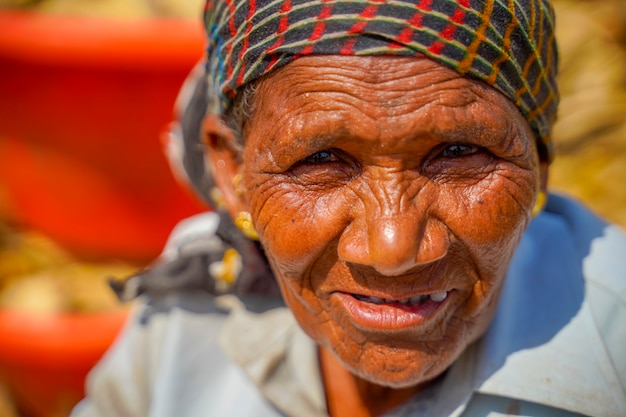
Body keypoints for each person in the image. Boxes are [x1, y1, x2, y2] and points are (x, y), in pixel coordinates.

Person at [71, 0, 626, 416]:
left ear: (541, 166)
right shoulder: (189, 312)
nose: (393, 250)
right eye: (322, 160)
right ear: (232, 175)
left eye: (460, 154)